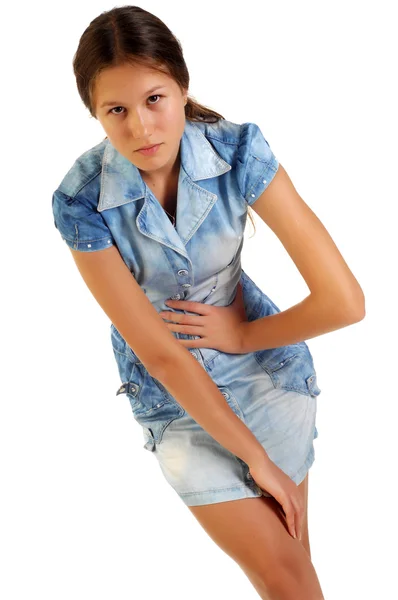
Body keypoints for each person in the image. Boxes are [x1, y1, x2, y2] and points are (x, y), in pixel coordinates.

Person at [51, 6, 365, 599]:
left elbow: (344, 301)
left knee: (292, 577)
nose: (141, 128)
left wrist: (243, 335)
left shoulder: (238, 152)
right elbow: (165, 357)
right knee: (287, 576)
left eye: (154, 99)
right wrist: (257, 462)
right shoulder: (81, 200)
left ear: (182, 86)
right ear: (93, 113)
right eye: (115, 110)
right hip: (176, 401)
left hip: (268, 376)